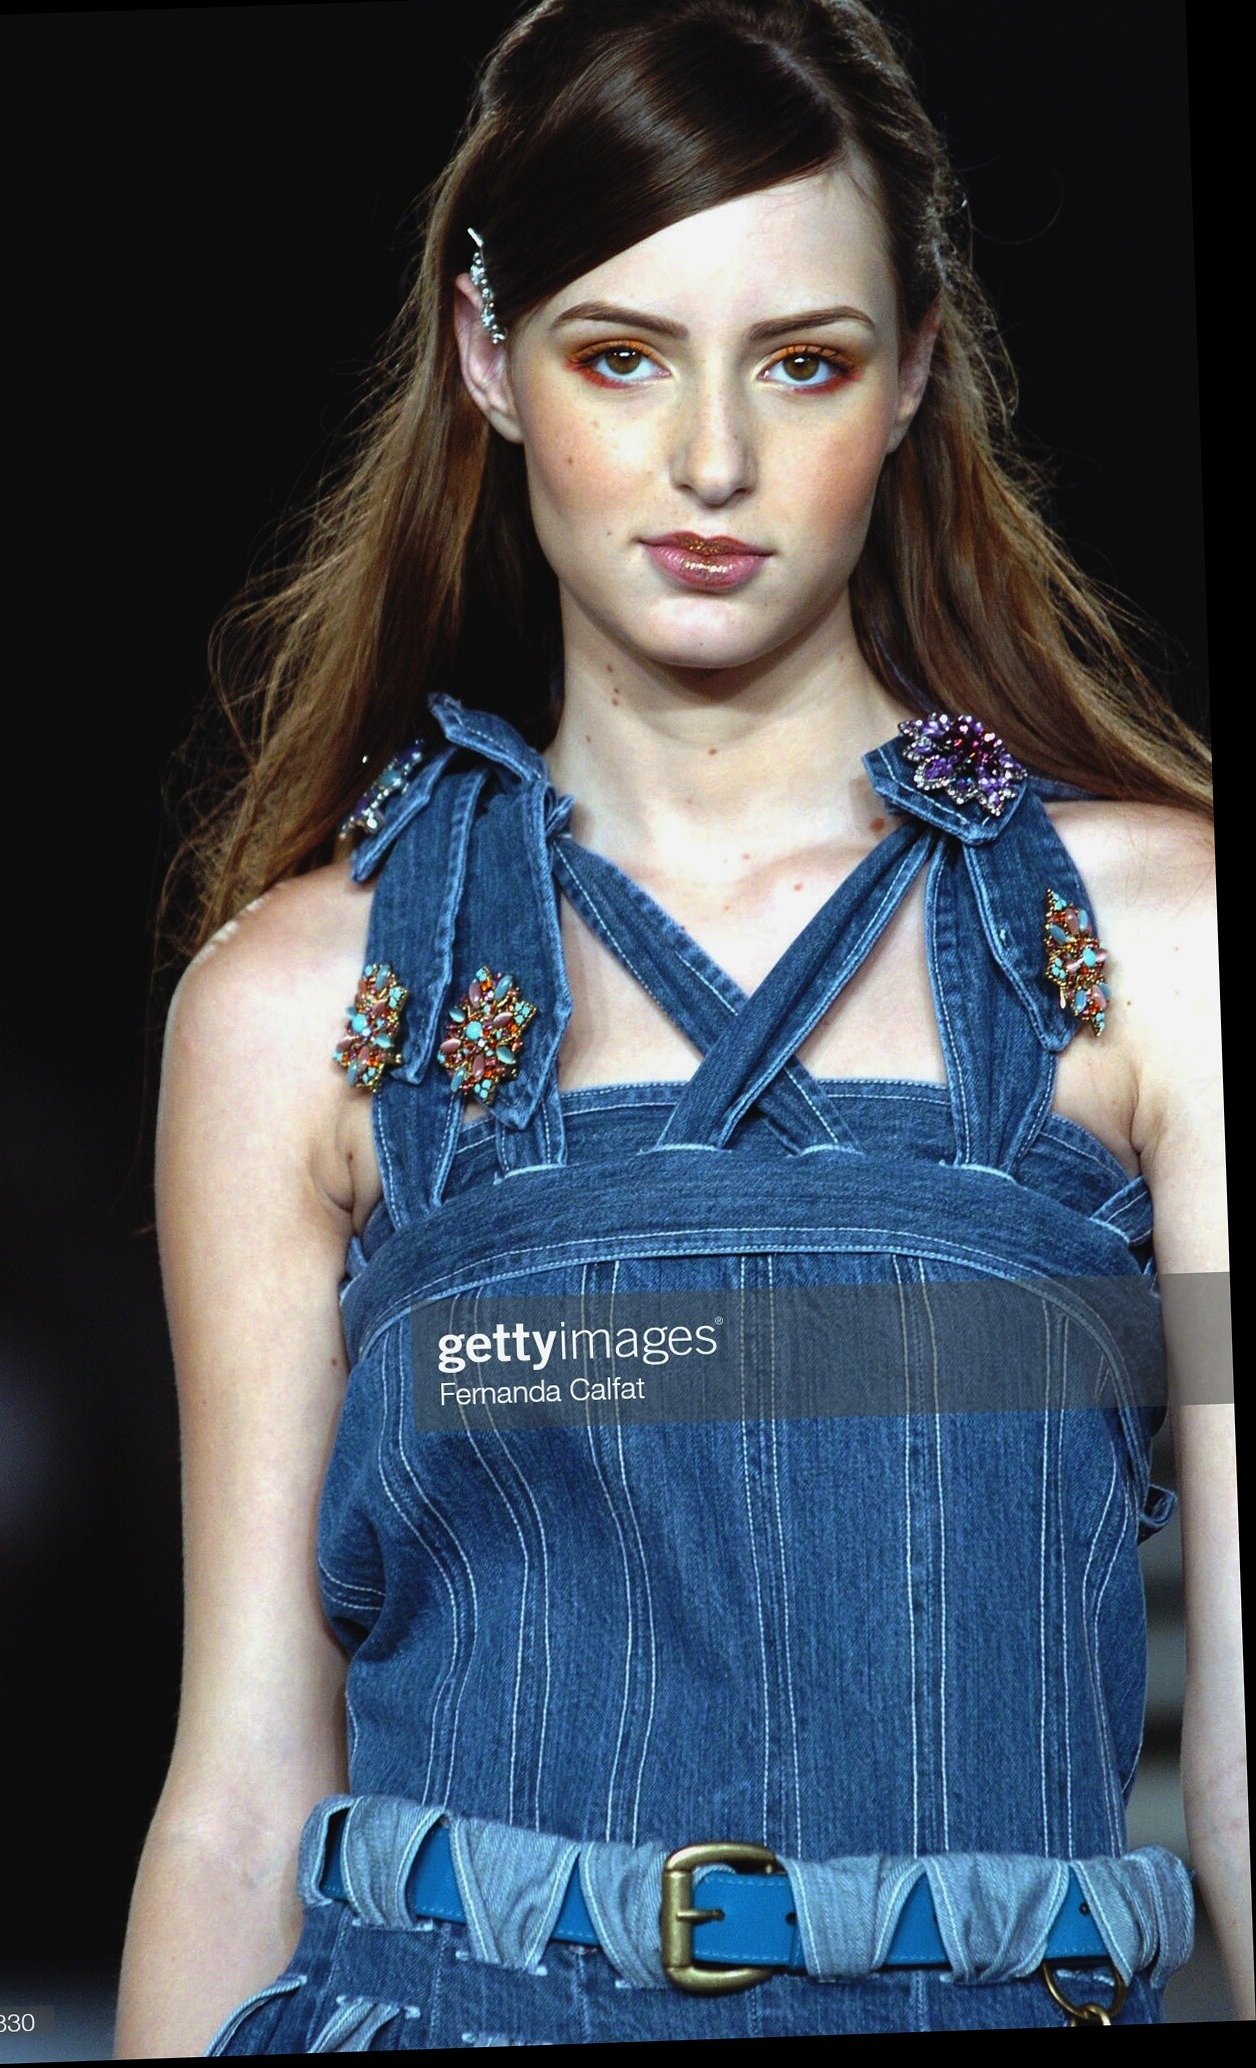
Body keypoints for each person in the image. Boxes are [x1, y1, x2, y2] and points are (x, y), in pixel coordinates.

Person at [116, 0, 1243, 2048]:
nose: (711, 461)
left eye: (800, 361)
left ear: (913, 369)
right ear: (485, 357)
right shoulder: (296, 1008)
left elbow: (1246, 1741)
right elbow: (242, 1782)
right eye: (618, 355)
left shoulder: (1163, 954)